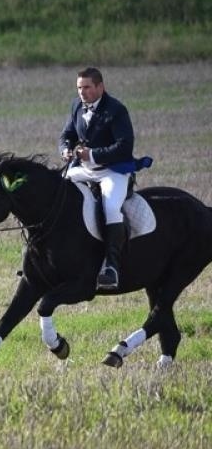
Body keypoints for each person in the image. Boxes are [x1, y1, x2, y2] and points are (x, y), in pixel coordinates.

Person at [59, 67, 135, 289]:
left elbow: (124, 146)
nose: (82, 92)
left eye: (87, 87)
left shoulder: (117, 110)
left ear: (100, 87)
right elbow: (67, 135)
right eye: (79, 88)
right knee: (56, 191)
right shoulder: (76, 106)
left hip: (113, 171)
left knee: (111, 207)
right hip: (84, 169)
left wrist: (91, 154)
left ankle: (111, 266)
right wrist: (65, 149)